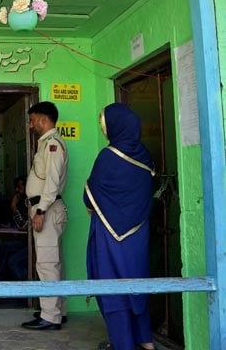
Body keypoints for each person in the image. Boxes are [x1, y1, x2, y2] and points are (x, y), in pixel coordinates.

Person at [85, 103, 156, 350]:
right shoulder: (145, 156)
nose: (103, 128)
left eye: (103, 123)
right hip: (138, 233)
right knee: (137, 284)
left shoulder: (108, 156)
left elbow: (89, 197)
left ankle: (123, 344)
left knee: (111, 286)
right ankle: (146, 341)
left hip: (109, 235)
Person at [21, 101, 69, 331]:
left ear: (43, 119)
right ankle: (56, 310)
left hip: (47, 209)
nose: (31, 126)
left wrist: (40, 210)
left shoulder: (53, 145)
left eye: (32, 120)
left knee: (47, 263)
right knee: (53, 262)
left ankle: (50, 317)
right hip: (46, 207)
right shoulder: (46, 144)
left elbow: (51, 180)